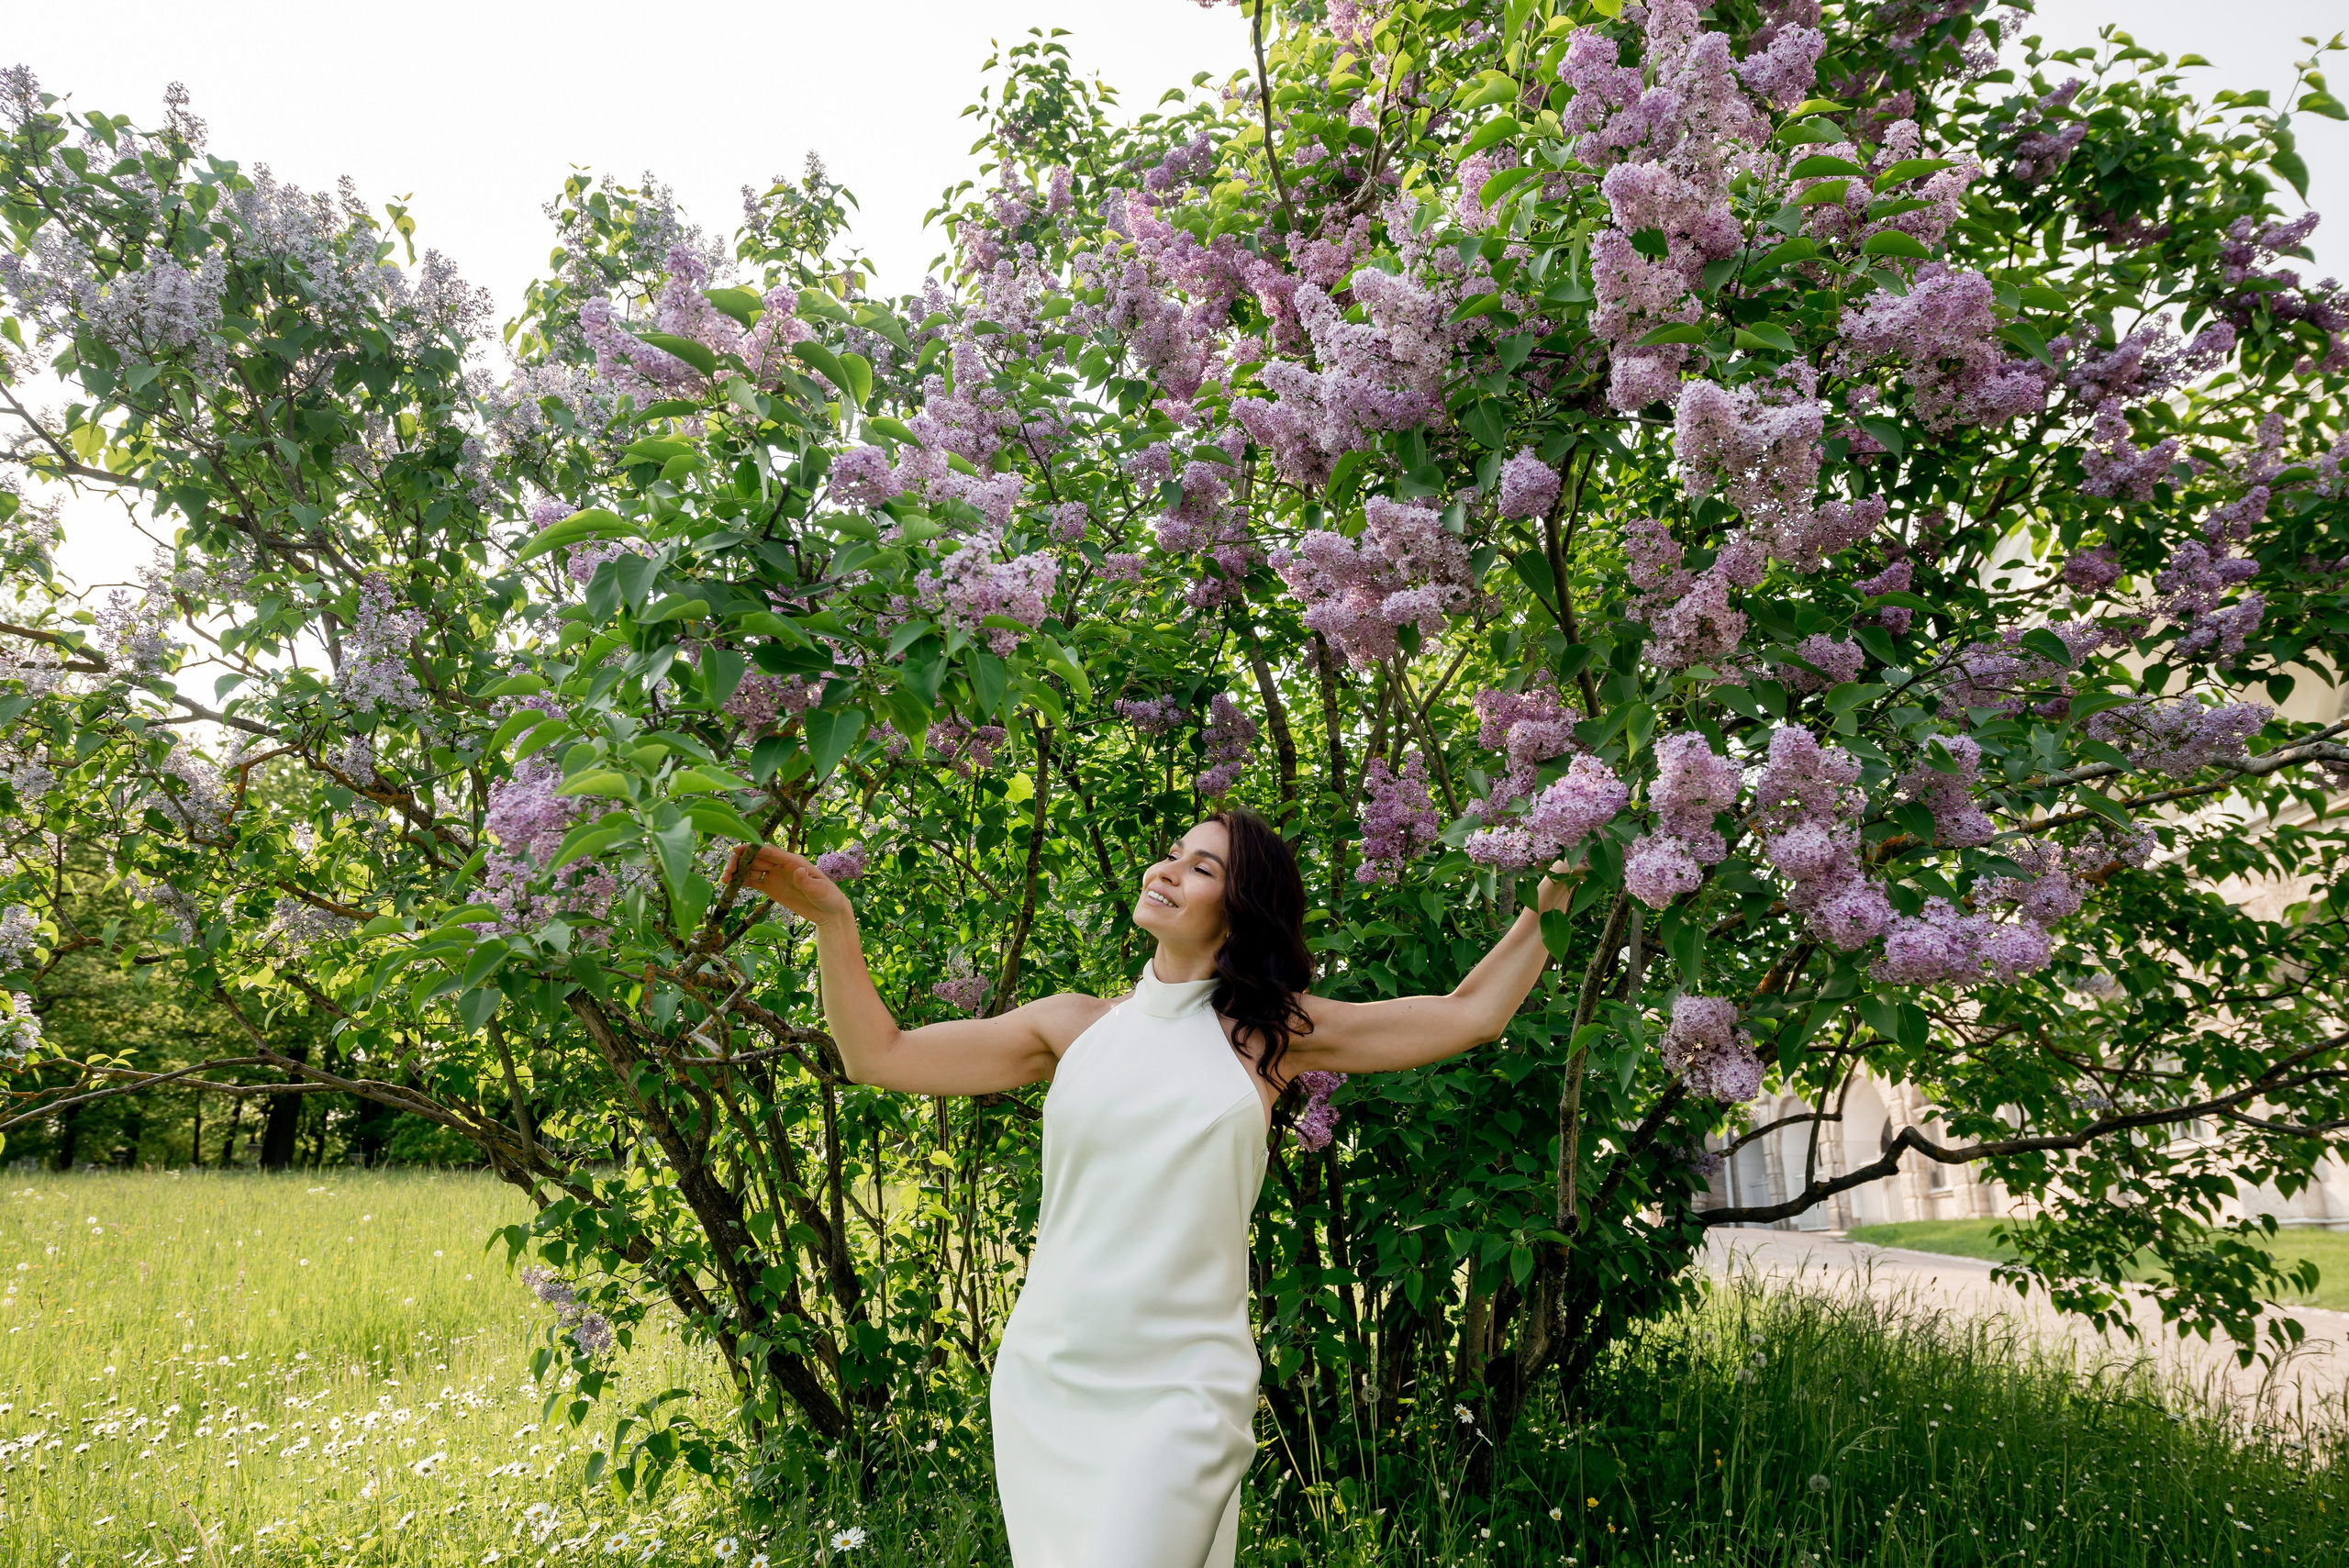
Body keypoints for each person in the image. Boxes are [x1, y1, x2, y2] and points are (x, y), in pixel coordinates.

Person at [729, 806, 1569, 1568]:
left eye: (1202, 867)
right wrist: (834, 921)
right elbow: (879, 1053)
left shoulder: (1270, 1036)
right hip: (1051, 1380)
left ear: (1241, 910)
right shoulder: (1068, 1025)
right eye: (1170, 854)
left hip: (1183, 1390)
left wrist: (1561, 884)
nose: (1165, 870)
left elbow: (1471, 1012)